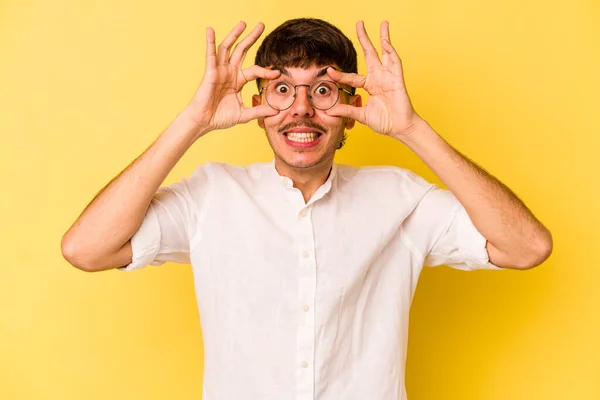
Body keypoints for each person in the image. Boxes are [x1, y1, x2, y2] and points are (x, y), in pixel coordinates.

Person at [61, 18, 553, 400]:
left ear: (352, 109)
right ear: (257, 105)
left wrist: (410, 129)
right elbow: (86, 248)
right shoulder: (211, 195)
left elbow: (527, 247)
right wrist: (194, 121)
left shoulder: (401, 200)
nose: (301, 109)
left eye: (322, 90)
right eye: (282, 89)